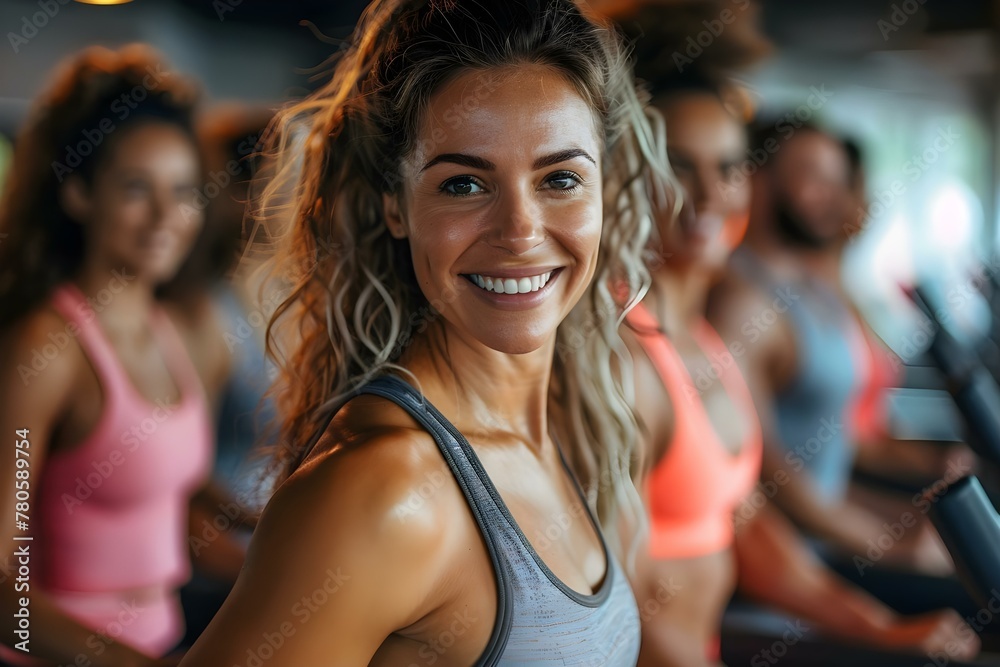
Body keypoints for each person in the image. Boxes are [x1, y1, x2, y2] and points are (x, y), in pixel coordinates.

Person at [179, 1, 673, 664]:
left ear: (604, 193)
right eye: (464, 183)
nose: (520, 230)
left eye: (560, 177)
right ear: (395, 204)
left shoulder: (572, 425)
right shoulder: (384, 487)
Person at [616, 56, 979, 665]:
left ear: (745, 182)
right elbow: (618, 593)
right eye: (679, 166)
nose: (707, 193)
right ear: (630, 177)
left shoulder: (704, 343)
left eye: (727, 168)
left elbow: (749, 526)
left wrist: (884, 627)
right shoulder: (622, 358)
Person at [0, 45, 240, 665]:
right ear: (79, 194)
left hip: (163, 637)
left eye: (185, 190)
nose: (167, 216)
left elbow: (160, 479)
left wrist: (272, 517)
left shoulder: (184, 330)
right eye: (138, 187)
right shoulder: (47, 348)